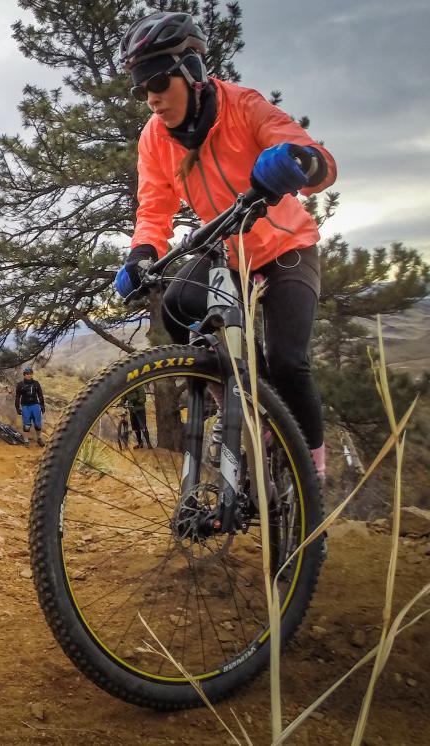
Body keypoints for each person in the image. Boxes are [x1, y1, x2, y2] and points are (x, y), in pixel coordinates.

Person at [113, 11, 336, 480]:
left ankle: (311, 472)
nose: (151, 97)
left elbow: (320, 164)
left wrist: (297, 161)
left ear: (192, 71)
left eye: (158, 80)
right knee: (175, 306)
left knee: (287, 362)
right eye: (140, 87)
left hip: (287, 249)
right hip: (229, 253)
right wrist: (141, 253)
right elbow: (154, 209)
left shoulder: (244, 106)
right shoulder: (154, 138)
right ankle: (233, 396)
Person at [15, 366, 47, 446]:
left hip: (35, 405)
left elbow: (40, 395)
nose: (29, 375)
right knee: (26, 425)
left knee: (38, 424)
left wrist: (42, 405)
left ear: (32, 374)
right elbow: (18, 397)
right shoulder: (20, 385)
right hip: (25, 406)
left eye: (30, 374)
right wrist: (17, 407)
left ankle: (39, 439)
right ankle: (26, 441)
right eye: (27, 374)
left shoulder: (36, 383)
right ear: (24, 375)